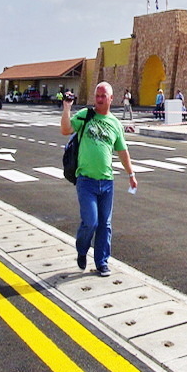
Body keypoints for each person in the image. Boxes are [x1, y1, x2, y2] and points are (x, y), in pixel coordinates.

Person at [60, 82, 137, 277]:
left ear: (111, 99)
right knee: (91, 222)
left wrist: (131, 174)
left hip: (107, 182)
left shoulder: (115, 124)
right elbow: (66, 130)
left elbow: (122, 151)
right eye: (97, 95)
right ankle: (82, 249)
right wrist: (67, 108)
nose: (100, 99)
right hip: (86, 180)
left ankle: (102, 262)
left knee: (105, 225)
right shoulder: (86, 115)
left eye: (103, 96)